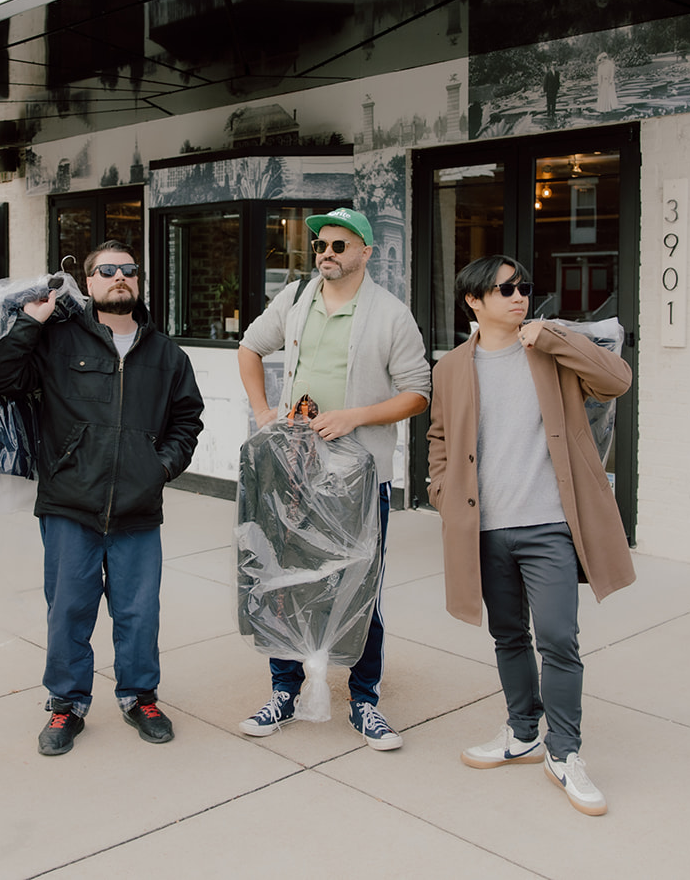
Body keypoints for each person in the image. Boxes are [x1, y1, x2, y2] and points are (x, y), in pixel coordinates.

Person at [426, 255, 635, 816]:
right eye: (505, 290)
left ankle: (564, 752)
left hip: (548, 526)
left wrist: (560, 338)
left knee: (559, 639)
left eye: (523, 288)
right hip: (487, 529)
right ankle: (523, 731)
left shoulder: (550, 350)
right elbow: (440, 438)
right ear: (474, 301)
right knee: (508, 636)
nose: (519, 297)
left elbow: (617, 380)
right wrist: (443, 495)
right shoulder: (450, 368)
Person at [0, 240, 205, 756]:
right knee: (68, 611)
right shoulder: (57, 341)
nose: (120, 277)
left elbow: (187, 420)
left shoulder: (166, 354)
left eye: (129, 270)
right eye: (107, 271)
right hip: (70, 504)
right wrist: (30, 324)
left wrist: (161, 466)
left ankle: (139, 698)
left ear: (139, 280)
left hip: (137, 509)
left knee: (138, 613)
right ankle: (66, 706)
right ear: (89, 284)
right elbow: (0, 381)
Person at [236, 207, 431, 750]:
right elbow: (250, 347)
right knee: (286, 581)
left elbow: (419, 393)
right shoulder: (296, 300)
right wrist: (262, 411)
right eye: (321, 244)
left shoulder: (391, 316)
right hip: (295, 471)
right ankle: (285, 690)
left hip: (359, 478)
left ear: (366, 253)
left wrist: (355, 416)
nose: (327, 253)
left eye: (341, 245)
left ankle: (364, 699)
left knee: (359, 584)